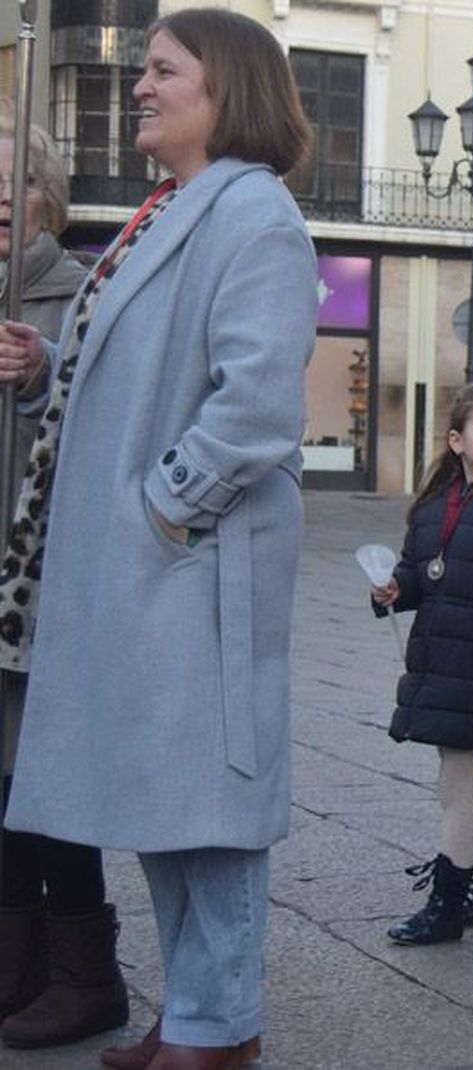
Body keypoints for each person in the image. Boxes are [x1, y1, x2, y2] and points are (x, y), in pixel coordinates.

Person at [0, 12, 316, 1068]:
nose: (140, 87)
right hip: (154, 569)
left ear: (223, 88)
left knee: (209, 803)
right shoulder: (172, 207)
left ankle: (218, 1025)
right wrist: (52, 363)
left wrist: (164, 505)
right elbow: (139, 371)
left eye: (161, 70)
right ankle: (193, 1011)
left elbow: (259, 403)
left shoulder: (254, 215)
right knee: (168, 799)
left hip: (191, 563)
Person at [0, 122, 126, 1051]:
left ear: (48, 194)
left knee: (39, 778)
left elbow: (107, 412)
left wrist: (42, 370)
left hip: (33, 576)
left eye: (17, 181)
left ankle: (87, 974)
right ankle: (15, 964)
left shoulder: (76, 293)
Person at [371, 382, 473, 946]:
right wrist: (395, 589)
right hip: (443, 657)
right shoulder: (436, 503)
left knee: (454, 787)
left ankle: (445, 909)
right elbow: (421, 570)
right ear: (457, 440)